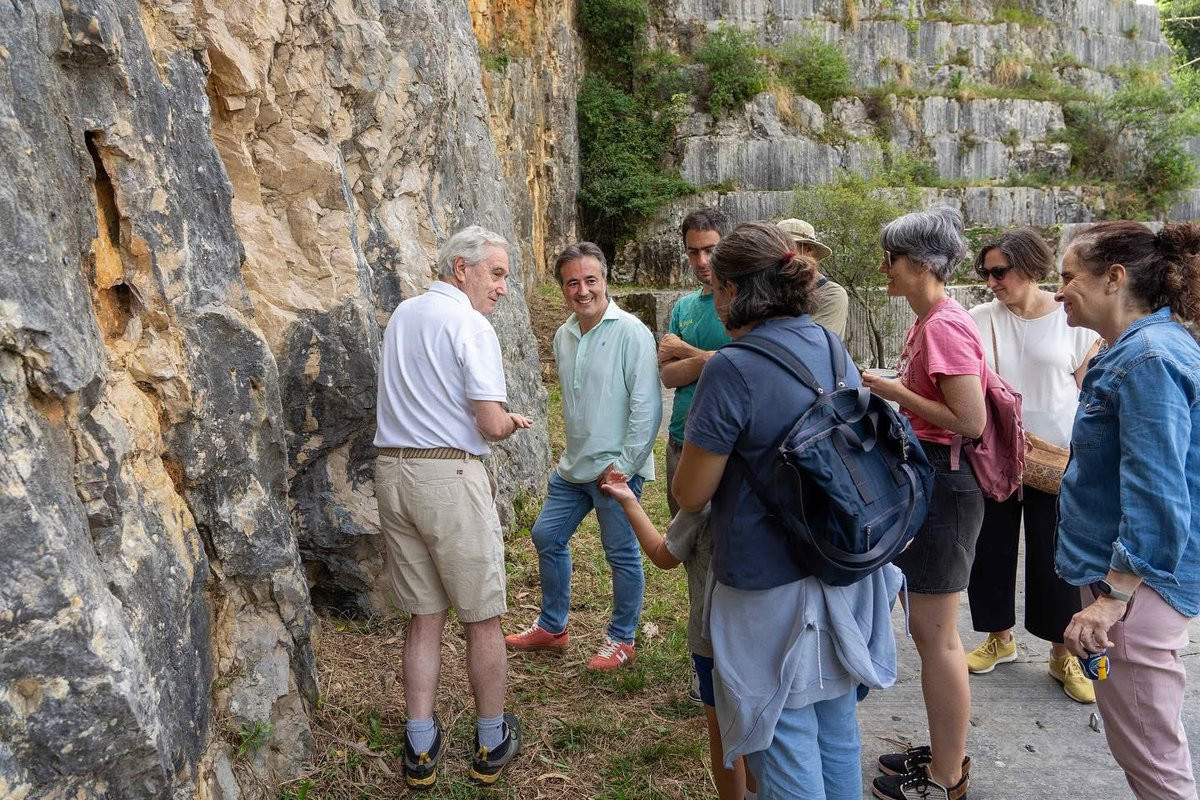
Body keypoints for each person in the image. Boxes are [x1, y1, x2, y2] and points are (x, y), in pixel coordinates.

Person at [673, 221, 903, 800]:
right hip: (837, 567)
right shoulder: (827, 344)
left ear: (733, 290)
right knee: (837, 731)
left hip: (766, 587)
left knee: (782, 740)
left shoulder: (731, 367)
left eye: (718, 287)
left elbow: (691, 493)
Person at [373, 225, 532, 788]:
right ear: (461, 269)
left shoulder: (403, 315)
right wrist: (510, 423)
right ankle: (491, 737)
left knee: (424, 616)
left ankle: (420, 744)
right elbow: (488, 422)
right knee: (482, 617)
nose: (503, 287)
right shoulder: (470, 324)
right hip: (448, 474)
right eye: (497, 273)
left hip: (392, 472)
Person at [1055, 221, 1200, 799]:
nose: (1059, 291)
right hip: (1134, 588)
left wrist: (1113, 598)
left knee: (1155, 766)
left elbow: (1157, 492)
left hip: (1139, 595)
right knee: (1147, 750)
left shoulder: (1146, 359)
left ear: (1113, 278)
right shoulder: (1139, 350)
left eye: (1069, 277)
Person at [862, 207, 985, 800]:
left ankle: (947, 775)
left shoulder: (942, 326)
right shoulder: (930, 320)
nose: (884, 268)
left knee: (938, 637)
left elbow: (969, 420)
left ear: (918, 263)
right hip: (931, 481)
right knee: (927, 630)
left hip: (947, 485)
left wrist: (893, 391)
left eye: (890, 258)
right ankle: (943, 752)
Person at [505, 242, 662, 671]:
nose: (583, 290)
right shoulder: (564, 335)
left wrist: (624, 467)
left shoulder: (631, 332)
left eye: (590, 280)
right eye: (572, 283)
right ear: (562, 288)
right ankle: (553, 627)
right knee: (546, 535)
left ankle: (622, 639)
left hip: (616, 470)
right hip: (574, 468)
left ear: (605, 280)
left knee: (621, 554)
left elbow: (647, 408)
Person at [963, 229, 1100, 703]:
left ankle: (1062, 653)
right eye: (986, 273)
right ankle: (999, 638)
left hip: (1057, 460)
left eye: (999, 271)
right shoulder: (979, 319)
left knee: (1055, 557)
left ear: (1028, 266)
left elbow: (1088, 394)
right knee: (990, 548)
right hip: (996, 455)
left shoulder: (1072, 320)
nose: (991, 281)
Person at [598, 472, 752, 800]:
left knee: (723, 733)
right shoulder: (777, 491)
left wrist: (629, 500)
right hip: (768, 638)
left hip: (714, 644)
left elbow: (661, 554)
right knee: (763, 731)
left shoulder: (702, 505)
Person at [659, 208, 731, 517]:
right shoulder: (683, 307)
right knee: (681, 537)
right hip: (679, 438)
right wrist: (712, 357)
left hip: (724, 446)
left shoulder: (741, 302)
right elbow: (668, 376)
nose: (702, 261)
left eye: (710, 250)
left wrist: (684, 350)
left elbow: (740, 366)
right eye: (693, 252)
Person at [775, 218, 850, 337]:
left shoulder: (831, 294)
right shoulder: (772, 289)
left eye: (785, 247)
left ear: (808, 249)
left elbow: (812, 342)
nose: (776, 255)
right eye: (774, 248)